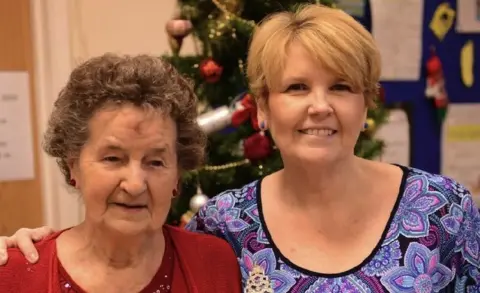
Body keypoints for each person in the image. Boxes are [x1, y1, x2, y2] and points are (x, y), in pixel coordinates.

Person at [1, 4, 480, 292]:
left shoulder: (442, 210)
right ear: (263, 107)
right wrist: (23, 248)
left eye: (341, 86)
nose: (320, 106)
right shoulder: (226, 228)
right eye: (296, 88)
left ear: (365, 103)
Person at [0, 54, 242, 293]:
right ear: (73, 164)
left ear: (177, 175)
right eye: (113, 158)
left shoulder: (215, 265)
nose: (135, 185)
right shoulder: (14, 275)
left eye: (156, 162)